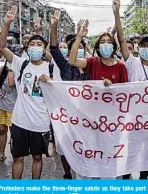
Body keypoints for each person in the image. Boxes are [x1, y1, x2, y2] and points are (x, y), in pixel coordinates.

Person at [68, 0, 128, 179]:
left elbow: (126, 94)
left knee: (109, 159)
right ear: (97, 46)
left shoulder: (120, 67)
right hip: (91, 119)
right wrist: (79, 36)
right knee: (92, 156)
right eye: (102, 42)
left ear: (114, 47)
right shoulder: (92, 62)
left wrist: (112, 89)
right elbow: (71, 60)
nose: (106, 44)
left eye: (109, 42)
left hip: (112, 122)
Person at [0, 6, 52, 179]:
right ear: (27, 48)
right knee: (18, 158)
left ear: (44, 49)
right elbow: (1, 47)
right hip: (20, 122)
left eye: (39, 45)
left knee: (37, 158)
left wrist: (50, 82)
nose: (35, 47)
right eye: (32, 45)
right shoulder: (20, 64)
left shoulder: (51, 68)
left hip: (41, 123)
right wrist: (7, 23)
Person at [46, 10, 90, 179]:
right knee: (64, 147)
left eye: (81, 48)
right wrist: (54, 25)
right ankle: (67, 174)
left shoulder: (92, 67)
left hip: (86, 119)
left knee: (84, 148)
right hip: (66, 117)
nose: (78, 50)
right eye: (75, 48)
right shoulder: (66, 67)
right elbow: (55, 48)